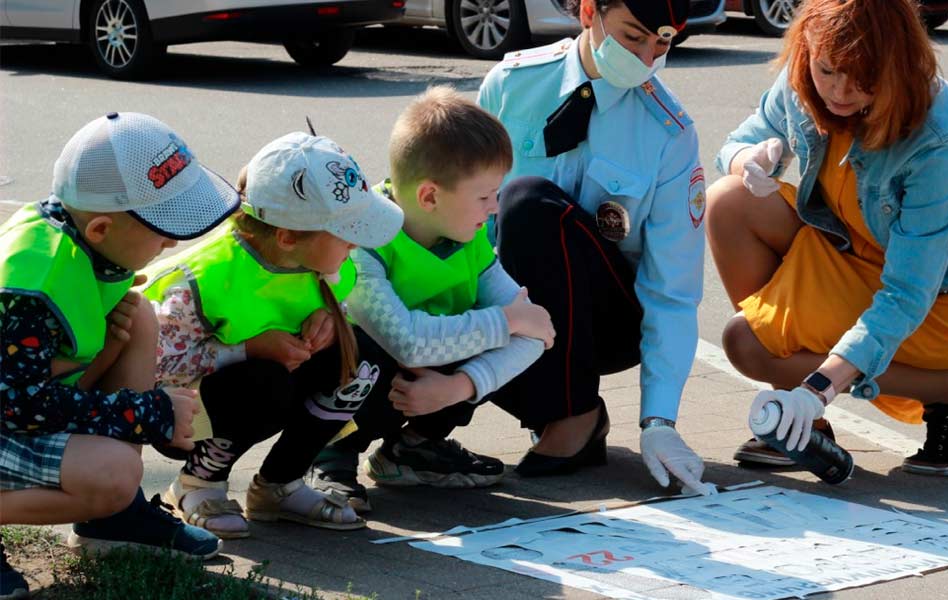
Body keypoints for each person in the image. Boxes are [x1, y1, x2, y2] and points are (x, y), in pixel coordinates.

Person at [706, 0, 948, 476]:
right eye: (828, 70)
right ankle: (805, 420)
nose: (840, 91)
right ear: (807, 48)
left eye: (863, 77)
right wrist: (746, 159)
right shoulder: (803, 72)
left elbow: (907, 292)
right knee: (729, 200)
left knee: (748, 345)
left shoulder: (939, 130)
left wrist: (817, 387)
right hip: (854, 247)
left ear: (898, 62)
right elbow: (736, 144)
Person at [477, 0, 715, 495]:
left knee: (526, 203)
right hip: (509, 300)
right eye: (633, 36)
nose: (648, 58)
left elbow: (672, 287)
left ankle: (575, 415)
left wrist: (659, 421)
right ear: (589, 11)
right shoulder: (511, 85)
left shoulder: (668, 132)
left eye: (663, 43)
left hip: (605, 320)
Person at [0, 112, 235, 595]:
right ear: (102, 228)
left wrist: (108, 354)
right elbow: (18, 406)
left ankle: (111, 519)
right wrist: (146, 411)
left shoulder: (90, 242)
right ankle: (111, 502)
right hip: (13, 411)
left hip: (23, 408)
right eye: (162, 225)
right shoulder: (33, 284)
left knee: (138, 317)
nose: (173, 241)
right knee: (113, 472)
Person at [142, 132, 404, 539]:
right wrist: (248, 349)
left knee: (360, 357)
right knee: (264, 383)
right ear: (286, 237)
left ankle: (280, 484)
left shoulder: (323, 258)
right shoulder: (206, 279)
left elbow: (334, 303)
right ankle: (199, 484)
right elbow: (157, 368)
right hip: (177, 412)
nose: (356, 241)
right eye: (346, 230)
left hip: (247, 387)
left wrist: (331, 323)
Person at [311, 87, 555, 512]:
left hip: (422, 382)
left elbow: (537, 331)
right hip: (353, 371)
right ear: (429, 197)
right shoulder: (362, 240)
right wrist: (509, 322)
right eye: (484, 197)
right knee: (368, 348)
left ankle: (412, 449)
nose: (495, 208)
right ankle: (327, 455)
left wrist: (458, 387)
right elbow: (406, 341)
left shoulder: (469, 237)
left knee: (482, 330)